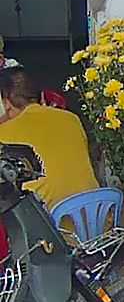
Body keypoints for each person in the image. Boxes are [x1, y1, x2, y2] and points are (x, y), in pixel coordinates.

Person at [0, 66, 98, 206]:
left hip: (48, 217)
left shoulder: (4, 134)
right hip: (97, 212)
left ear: (6, 104)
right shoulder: (71, 119)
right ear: (41, 96)